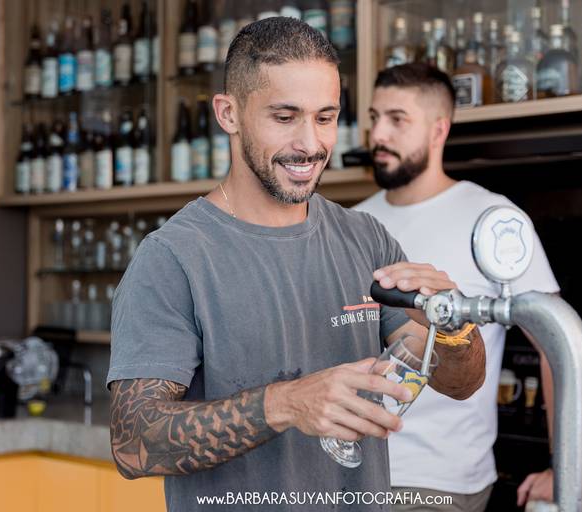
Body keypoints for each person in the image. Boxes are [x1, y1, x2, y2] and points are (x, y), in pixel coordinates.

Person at [106, 18, 486, 512]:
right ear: (229, 113)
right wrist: (284, 404)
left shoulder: (365, 238)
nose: (310, 143)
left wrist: (452, 327)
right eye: (285, 117)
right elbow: (133, 442)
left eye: (325, 118)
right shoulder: (173, 257)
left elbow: (460, 384)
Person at [354, 63, 560, 511]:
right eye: (374, 118)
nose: (378, 135)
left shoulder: (492, 219)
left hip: (436, 478)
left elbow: (555, 343)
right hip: (347, 471)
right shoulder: (354, 223)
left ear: (438, 129)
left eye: (397, 119)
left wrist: (561, 465)